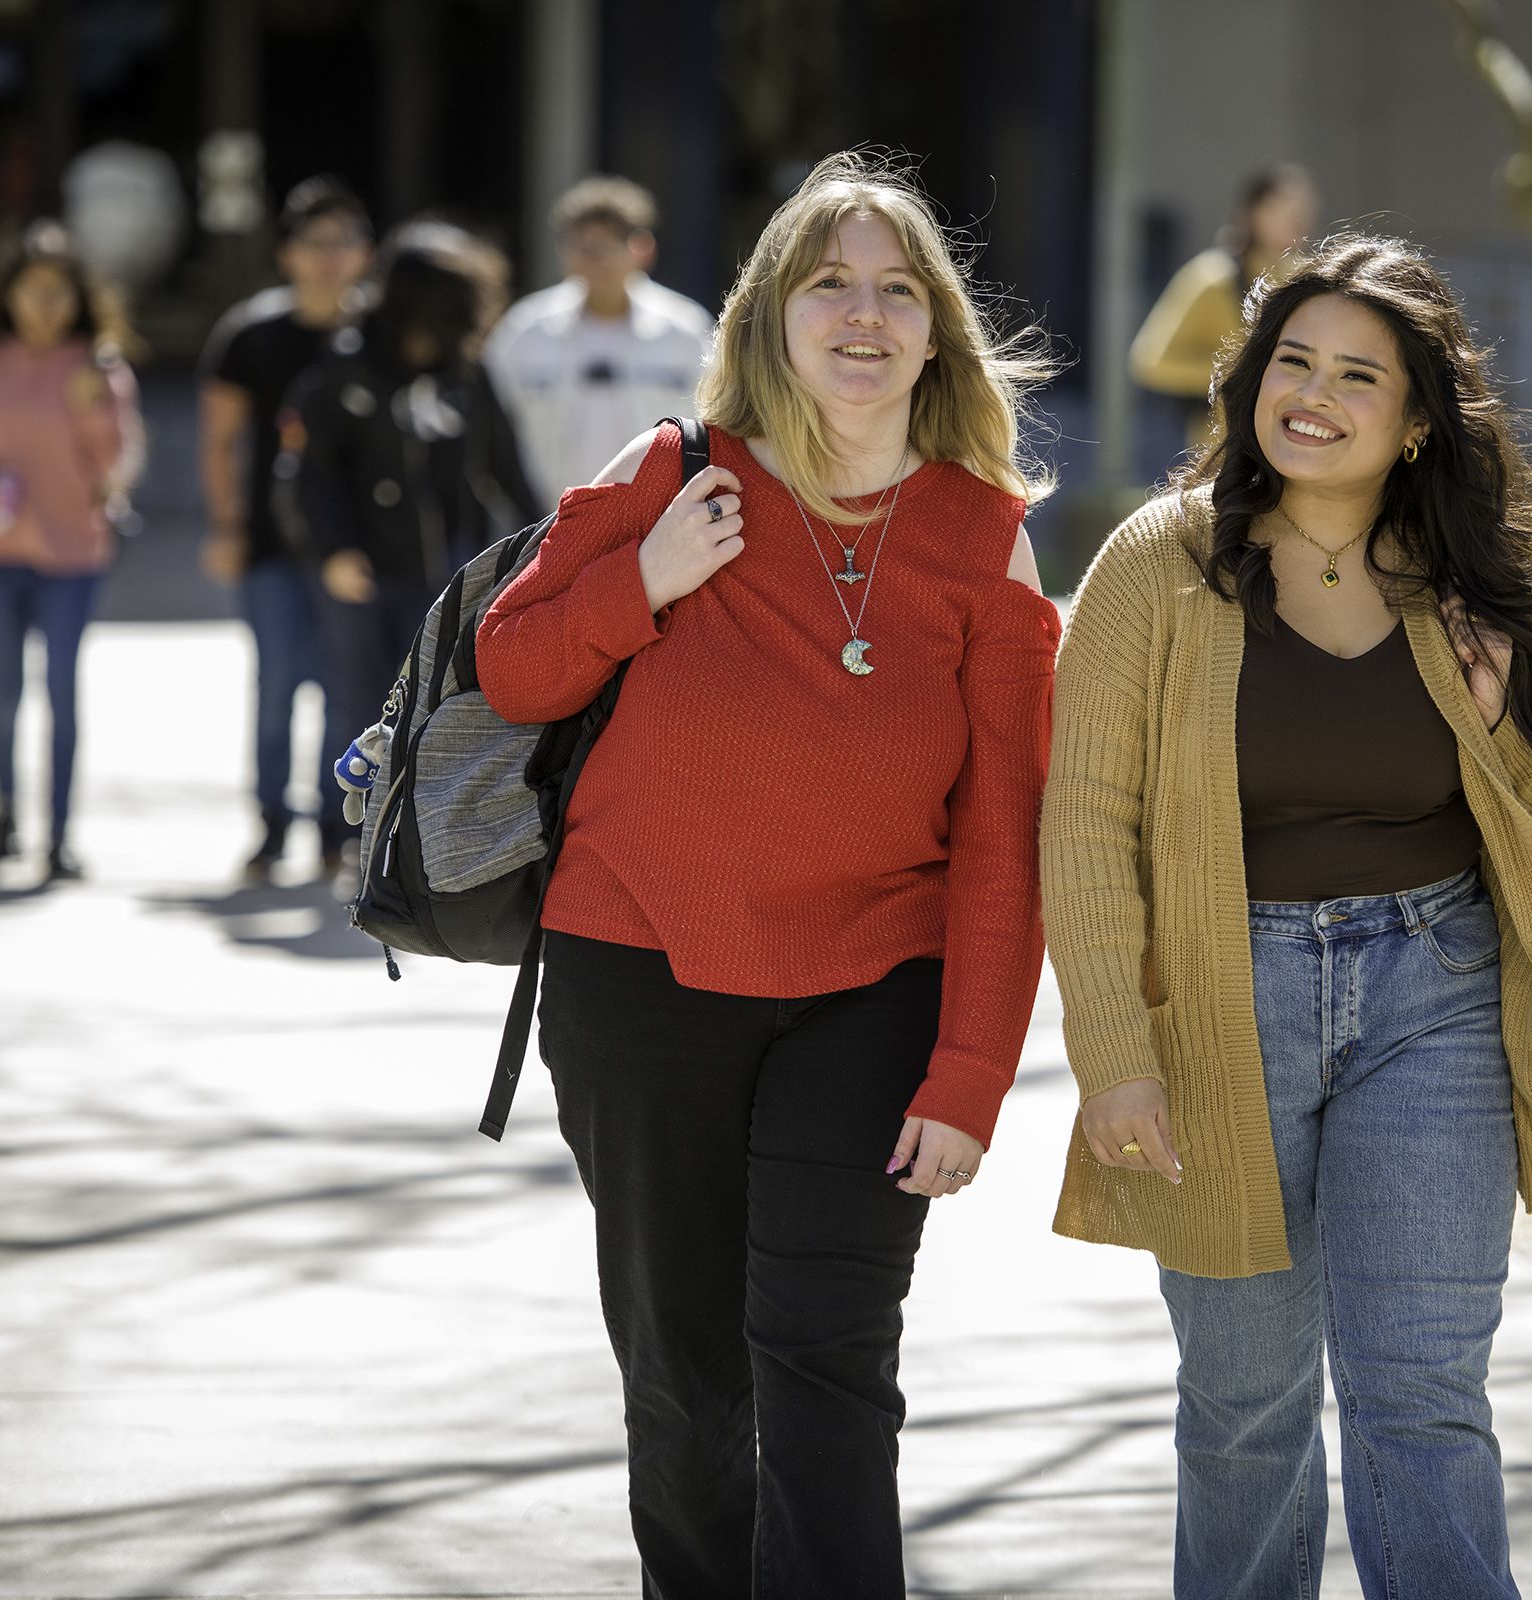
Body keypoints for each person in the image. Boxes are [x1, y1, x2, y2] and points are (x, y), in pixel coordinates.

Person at [1043, 234, 1532, 1599]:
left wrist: (1491, 713)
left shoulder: (1469, 572)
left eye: (1359, 375)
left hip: (1436, 991)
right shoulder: (1154, 567)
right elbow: (1085, 822)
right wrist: (1114, 1048)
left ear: (1415, 423)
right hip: (1221, 1006)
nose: (1315, 393)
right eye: (1293, 360)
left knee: (1418, 1392)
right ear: (1248, 381)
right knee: (1244, 1406)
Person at [474, 150, 1060, 1597]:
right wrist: (645, 579)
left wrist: (971, 1071)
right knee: (685, 1383)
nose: (863, 317)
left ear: (937, 332)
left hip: (871, 995)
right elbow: (517, 671)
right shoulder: (669, 477)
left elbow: (1006, 830)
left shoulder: (988, 539)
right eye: (828, 285)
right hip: (640, 977)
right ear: (768, 317)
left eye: (897, 292)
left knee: (832, 1371)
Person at [0, 221, 145, 879]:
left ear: (79, 299)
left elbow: (116, 467)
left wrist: (92, 411)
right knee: (4, 687)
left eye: (59, 292)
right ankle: (5, 816)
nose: (46, 305)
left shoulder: (97, 366)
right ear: (7, 293)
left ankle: (61, 837)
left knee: (63, 690)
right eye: (32, 290)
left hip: (72, 553)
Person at [276, 220, 543, 749]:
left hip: (448, 571)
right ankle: (349, 826)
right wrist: (333, 551)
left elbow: (504, 465)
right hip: (366, 570)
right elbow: (310, 472)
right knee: (362, 707)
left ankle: (418, 828)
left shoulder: (467, 370)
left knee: (438, 710)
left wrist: (549, 542)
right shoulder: (346, 365)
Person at [198, 176, 374, 883]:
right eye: (315, 243)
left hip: (355, 549)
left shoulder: (377, 336)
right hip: (271, 544)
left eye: (344, 243)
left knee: (347, 690)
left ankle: (338, 831)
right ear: (287, 254)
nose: (330, 258)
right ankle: (269, 827)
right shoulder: (251, 335)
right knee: (277, 687)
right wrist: (227, 525)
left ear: (365, 254)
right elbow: (219, 441)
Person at [485, 175, 714, 499]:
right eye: (584, 248)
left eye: (607, 247)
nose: (596, 261)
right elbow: (491, 434)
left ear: (642, 249)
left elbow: (714, 427)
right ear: (563, 251)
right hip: (547, 523)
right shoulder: (524, 332)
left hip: (659, 523)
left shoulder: (685, 330)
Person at [1129, 162, 1319, 444]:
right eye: (1283, 210)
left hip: (1295, 441)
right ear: (1252, 213)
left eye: (1302, 212)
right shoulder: (1212, 278)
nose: (1295, 221)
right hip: (1223, 447)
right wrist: (1234, 369)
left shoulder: (1309, 278)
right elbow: (1149, 361)